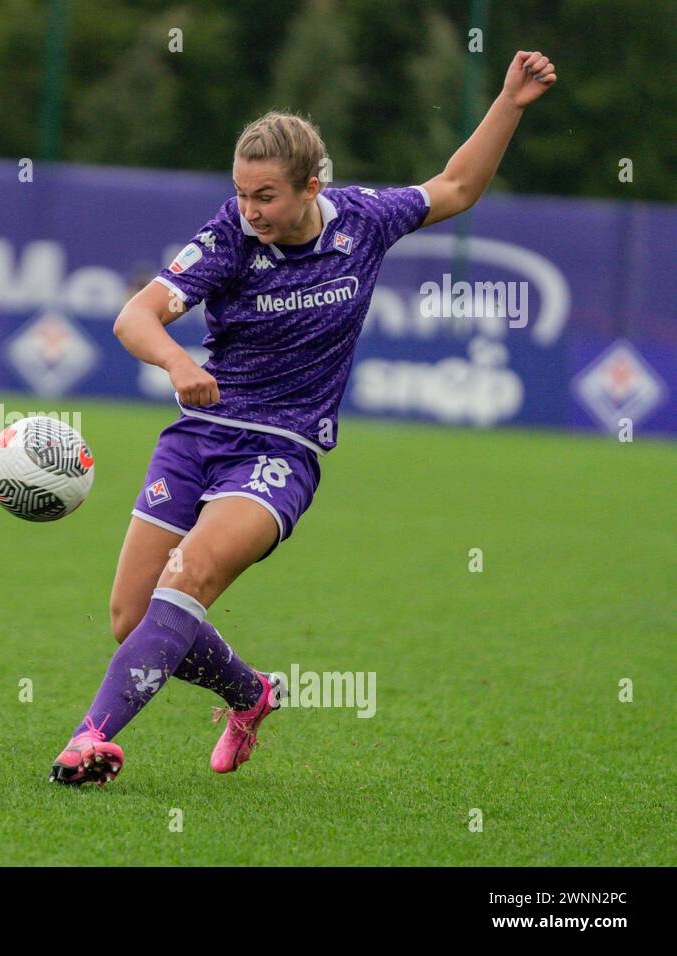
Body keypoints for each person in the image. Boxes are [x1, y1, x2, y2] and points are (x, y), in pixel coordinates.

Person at [49, 51, 558, 786]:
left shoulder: (365, 221)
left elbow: (455, 185)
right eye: (241, 193)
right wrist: (179, 363)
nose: (250, 210)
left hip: (282, 449)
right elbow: (136, 316)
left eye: (265, 196)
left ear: (311, 187)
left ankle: (89, 739)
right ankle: (250, 694)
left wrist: (508, 101)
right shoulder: (229, 236)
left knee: (188, 576)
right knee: (131, 616)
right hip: (199, 437)